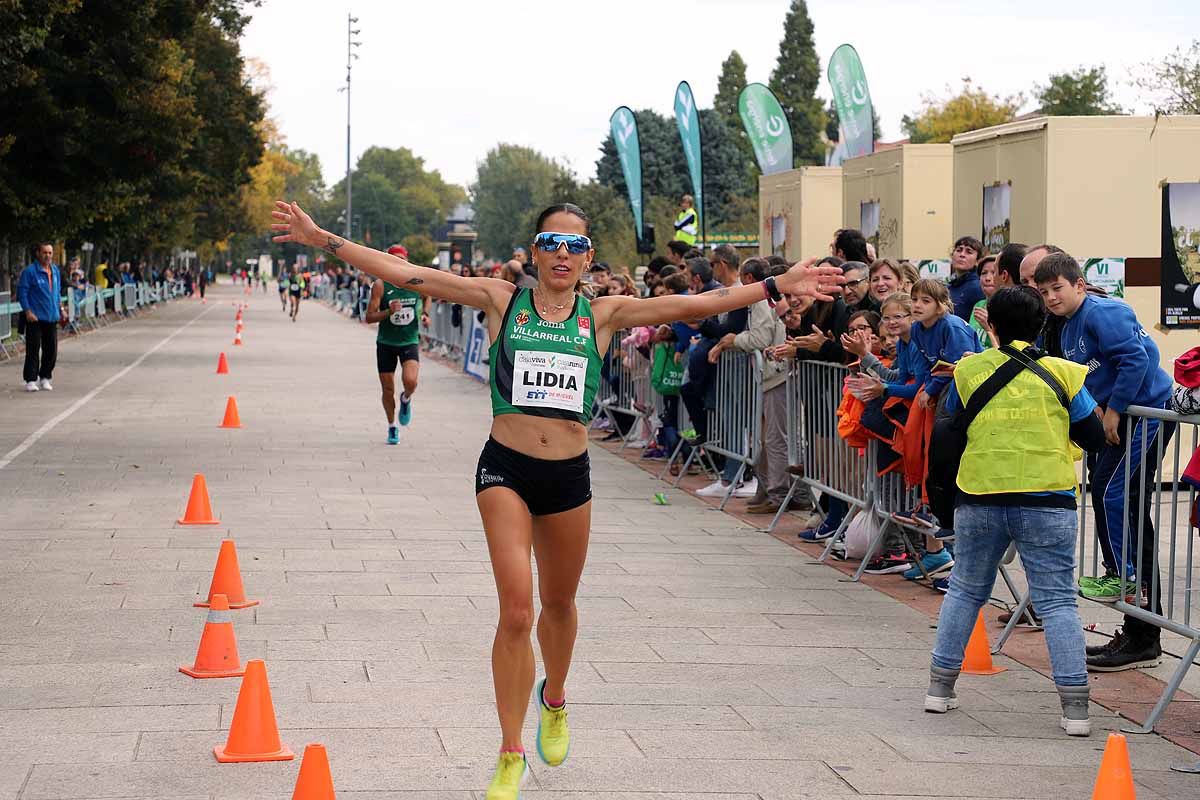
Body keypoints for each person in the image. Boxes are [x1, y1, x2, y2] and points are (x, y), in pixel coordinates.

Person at [269, 198, 843, 800]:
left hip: (569, 477)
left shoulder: (604, 312)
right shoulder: (500, 299)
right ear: (536, 250)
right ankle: (510, 749)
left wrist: (775, 284)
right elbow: (408, 276)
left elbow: (699, 304)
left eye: (574, 246)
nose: (561, 255)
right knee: (516, 611)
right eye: (550, 243)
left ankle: (556, 697)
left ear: (589, 256)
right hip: (505, 468)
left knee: (559, 605)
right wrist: (320, 237)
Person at [924, 286, 1105, 737]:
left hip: (980, 496)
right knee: (1058, 601)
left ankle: (939, 689)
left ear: (993, 326)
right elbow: (1094, 436)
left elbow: (954, 423)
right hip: (1047, 499)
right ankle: (1075, 710)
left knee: (965, 590)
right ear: (1042, 324)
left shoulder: (969, 371)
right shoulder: (1066, 374)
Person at [1035, 253, 1176, 672]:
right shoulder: (1062, 323)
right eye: (1043, 292)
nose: (1050, 298)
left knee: (1118, 496)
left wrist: (1114, 409)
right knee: (1107, 499)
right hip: (1117, 417)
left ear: (1079, 284)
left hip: (1145, 414)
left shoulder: (1103, 312)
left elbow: (1136, 360)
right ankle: (1129, 596)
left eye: (1057, 288)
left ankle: (1130, 581)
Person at [366, 245, 430, 444]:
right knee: (387, 389)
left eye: (401, 259)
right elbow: (369, 317)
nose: (398, 263)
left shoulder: (416, 282)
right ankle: (392, 427)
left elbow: (429, 295)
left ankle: (406, 399)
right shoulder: (380, 285)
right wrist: (388, 312)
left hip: (409, 341)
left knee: (411, 381)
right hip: (386, 342)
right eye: (394, 259)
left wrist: (425, 313)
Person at [18, 242, 62, 392]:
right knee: (33, 349)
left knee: (51, 350)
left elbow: (57, 292)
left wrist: (61, 308)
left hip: (51, 317)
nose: (48, 256)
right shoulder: (30, 272)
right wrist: (28, 311)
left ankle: (45, 377)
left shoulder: (55, 270)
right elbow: (22, 293)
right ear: (38, 253)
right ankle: (30, 379)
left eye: (50, 253)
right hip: (35, 318)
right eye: (45, 252)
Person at [947, 236, 985, 321]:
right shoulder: (949, 286)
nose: (962, 255)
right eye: (959, 250)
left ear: (977, 261)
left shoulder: (977, 287)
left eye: (969, 252)